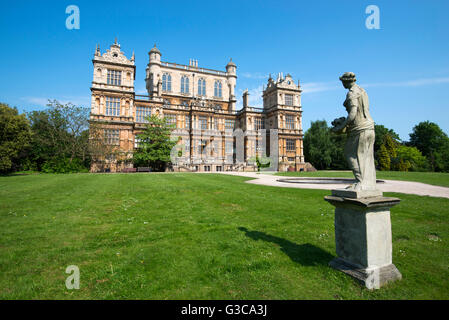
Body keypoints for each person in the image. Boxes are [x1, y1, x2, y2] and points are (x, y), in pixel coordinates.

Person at [331, 72, 377, 191]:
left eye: (342, 82)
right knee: (367, 157)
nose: (342, 84)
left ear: (345, 81)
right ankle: (369, 184)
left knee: (350, 154)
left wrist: (341, 127)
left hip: (359, 128)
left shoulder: (352, 93)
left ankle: (360, 182)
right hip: (370, 127)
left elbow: (352, 115)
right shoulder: (363, 91)